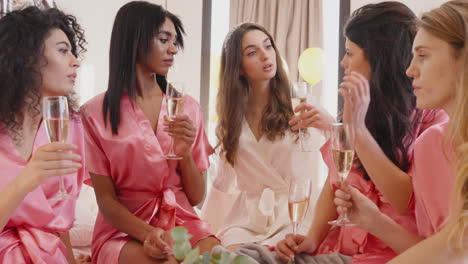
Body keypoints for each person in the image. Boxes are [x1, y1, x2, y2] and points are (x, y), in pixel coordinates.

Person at [276, 2, 448, 263]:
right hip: (345, 250)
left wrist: (356, 131)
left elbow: (405, 200)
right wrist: (312, 238)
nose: (344, 63)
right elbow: (337, 180)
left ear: (379, 57)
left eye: (349, 53)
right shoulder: (361, 106)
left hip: (394, 254)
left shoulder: (431, 115)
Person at [80, 2, 219, 264]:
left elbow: (197, 197)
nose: (173, 49)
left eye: (175, 41)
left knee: (218, 258)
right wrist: (147, 234)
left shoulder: (187, 107)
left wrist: (185, 153)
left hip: (182, 223)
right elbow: (106, 200)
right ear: (135, 40)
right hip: (124, 231)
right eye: (163, 39)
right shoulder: (94, 113)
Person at [334, 1, 468, 263]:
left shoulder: (431, 132)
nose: (410, 70)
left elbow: (457, 247)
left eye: (423, 55)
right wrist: (374, 221)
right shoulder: (432, 143)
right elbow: (443, 246)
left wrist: (358, 131)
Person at [201, 22, 317, 249]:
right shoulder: (231, 122)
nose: (266, 56)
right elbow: (223, 184)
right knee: (228, 254)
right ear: (240, 67)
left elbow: (312, 173)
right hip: (247, 219)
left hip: (291, 215)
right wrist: (203, 232)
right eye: (253, 52)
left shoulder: (298, 109)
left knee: (268, 254)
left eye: (268, 46)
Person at [0, 6, 87, 264]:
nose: (75, 61)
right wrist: (27, 179)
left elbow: (61, 227)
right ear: (26, 58)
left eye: (73, 51)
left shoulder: (71, 127)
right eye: (63, 50)